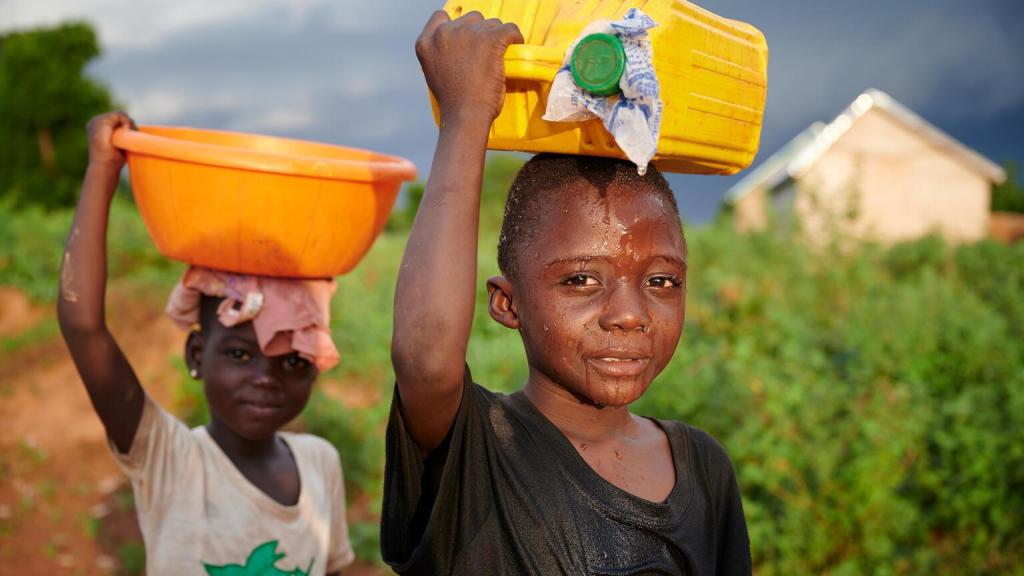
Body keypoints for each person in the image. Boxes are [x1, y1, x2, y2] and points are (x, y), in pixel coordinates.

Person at [382, 11, 751, 576]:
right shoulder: (477, 450)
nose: (628, 315)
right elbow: (425, 360)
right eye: (581, 280)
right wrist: (466, 115)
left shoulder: (704, 468)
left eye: (661, 281)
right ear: (507, 304)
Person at [58, 112, 353, 575]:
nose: (266, 377)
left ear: (316, 365)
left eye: (293, 360)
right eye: (240, 354)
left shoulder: (321, 463)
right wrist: (102, 168)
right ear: (197, 355)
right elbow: (82, 325)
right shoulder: (168, 458)